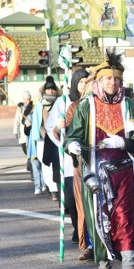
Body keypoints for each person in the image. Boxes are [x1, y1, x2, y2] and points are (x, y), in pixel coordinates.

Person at [65, 48, 134, 269]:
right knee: (99, 218)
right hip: (96, 171)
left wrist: (124, 142)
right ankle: (104, 266)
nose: (112, 82)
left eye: (116, 79)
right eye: (108, 78)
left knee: (124, 218)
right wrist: (72, 144)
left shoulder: (130, 106)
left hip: (124, 172)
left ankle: (129, 266)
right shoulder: (87, 106)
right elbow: (73, 135)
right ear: (100, 81)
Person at [45, 69, 90, 247]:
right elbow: (51, 128)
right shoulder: (63, 102)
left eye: (86, 82)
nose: (83, 85)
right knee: (71, 199)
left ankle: (87, 232)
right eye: (81, 82)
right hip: (70, 160)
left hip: (88, 156)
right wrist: (58, 126)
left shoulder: (92, 102)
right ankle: (77, 227)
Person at [26, 77, 59, 196]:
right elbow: (37, 122)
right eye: (48, 89)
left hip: (57, 138)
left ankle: (56, 188)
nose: (50, 91)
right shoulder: (39, 104)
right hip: (42, 139)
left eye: (52, 89)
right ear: (44, 91)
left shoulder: (59, 102)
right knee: (45, 164)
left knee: (56, 164)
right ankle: (51, 188)